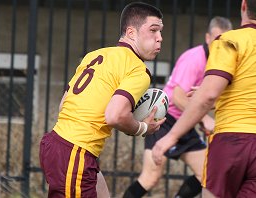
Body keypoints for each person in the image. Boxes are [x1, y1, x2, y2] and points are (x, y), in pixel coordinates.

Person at [39, 2, 166, 198]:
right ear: (131, 33)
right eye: (153, 30)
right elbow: (115, 116)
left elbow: (63, 103)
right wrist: (142, 128)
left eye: (160, 32)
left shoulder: (95, 54)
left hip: (56, 143)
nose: (160, 38)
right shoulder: (138, 70)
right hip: (75, 152)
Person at [152, 0, 256, 197]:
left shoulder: (230, 40)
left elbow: (208, 95)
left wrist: (171, 137)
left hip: (231, 140)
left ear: (243, 6)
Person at [123, 16, 232, 198]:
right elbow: (177, 97)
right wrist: (204, 118)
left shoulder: (219, 61)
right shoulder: (194, 58)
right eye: (216, 39)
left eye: (225, 41)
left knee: (207, 172)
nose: (220, 45)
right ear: (207, 38)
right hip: (165, 120)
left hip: (185, 122)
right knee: (150, 178)